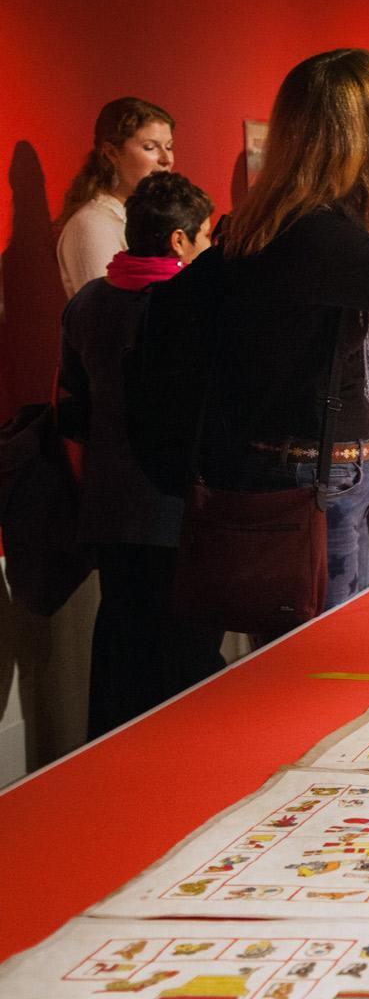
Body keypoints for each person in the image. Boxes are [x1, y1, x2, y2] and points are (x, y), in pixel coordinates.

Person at [151, 48, 369, 613]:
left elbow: (358, 364)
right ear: (366, 131)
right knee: (324, 662)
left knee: (325, 657)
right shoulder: (314, 236)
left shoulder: (293, 228)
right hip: (315, 483)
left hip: (327, 473)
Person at [56, 171, 222, 735]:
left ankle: (103, 773)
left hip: (107, 504)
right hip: (181, 504)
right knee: (186, 655)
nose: (211, 247)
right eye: (206, 236)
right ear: (180, 240)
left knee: (121, 648)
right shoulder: (193, 306)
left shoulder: (86, 303)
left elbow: (72, 410)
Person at [54, 97, 176, 298]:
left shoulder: (145, 217)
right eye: (150, 147)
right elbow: (106, 312)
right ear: (111, 152)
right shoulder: (92, 224)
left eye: (169, 146)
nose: (166, 159)